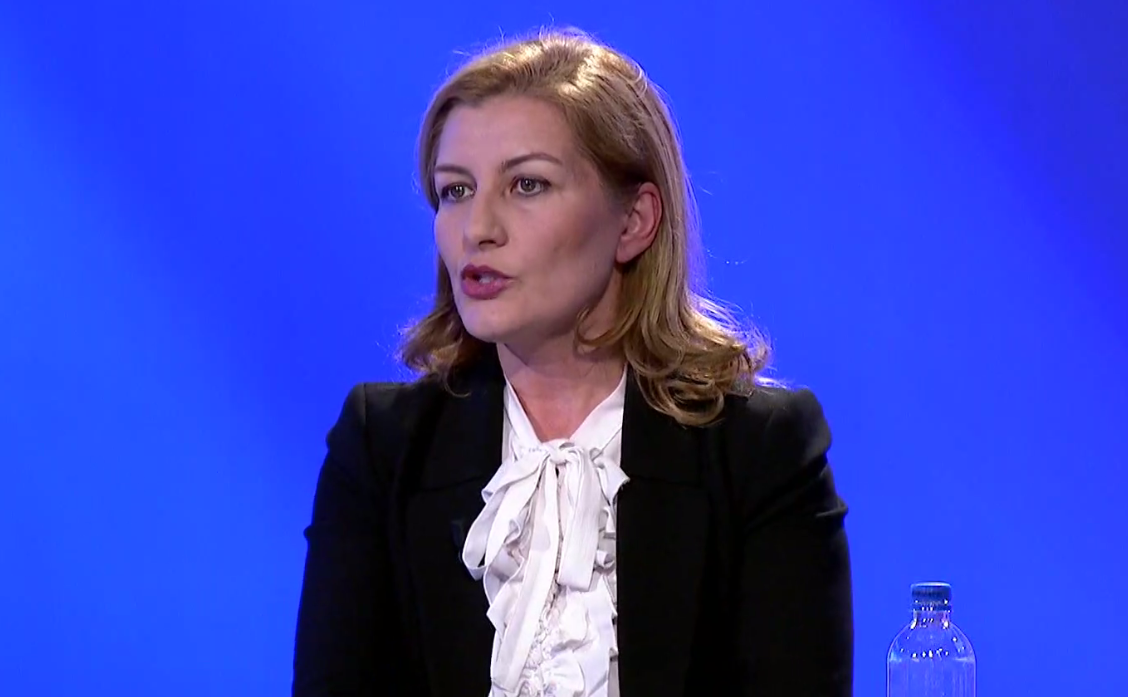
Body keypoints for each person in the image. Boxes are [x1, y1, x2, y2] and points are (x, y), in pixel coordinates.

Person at [292, 28, 853, 697]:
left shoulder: (759, 450)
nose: (478, 229)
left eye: (527, 184)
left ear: (634, 221)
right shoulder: (383, 448)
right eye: (455, 191)